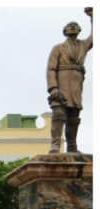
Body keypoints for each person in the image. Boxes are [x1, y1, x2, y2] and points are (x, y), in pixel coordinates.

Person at [46, 8, 93, 153]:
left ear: (79, 30)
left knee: (73, 117)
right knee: (58, 115)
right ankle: (55, 144)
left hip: (76, 85)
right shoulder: (58, 48)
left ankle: (72, 146)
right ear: (65, 31)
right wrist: (53, 88)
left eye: (75, 24)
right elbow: (51, 69)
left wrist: (93, 16)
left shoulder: (83, 46)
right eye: (69, 25)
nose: (72, 26)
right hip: (61, 83)